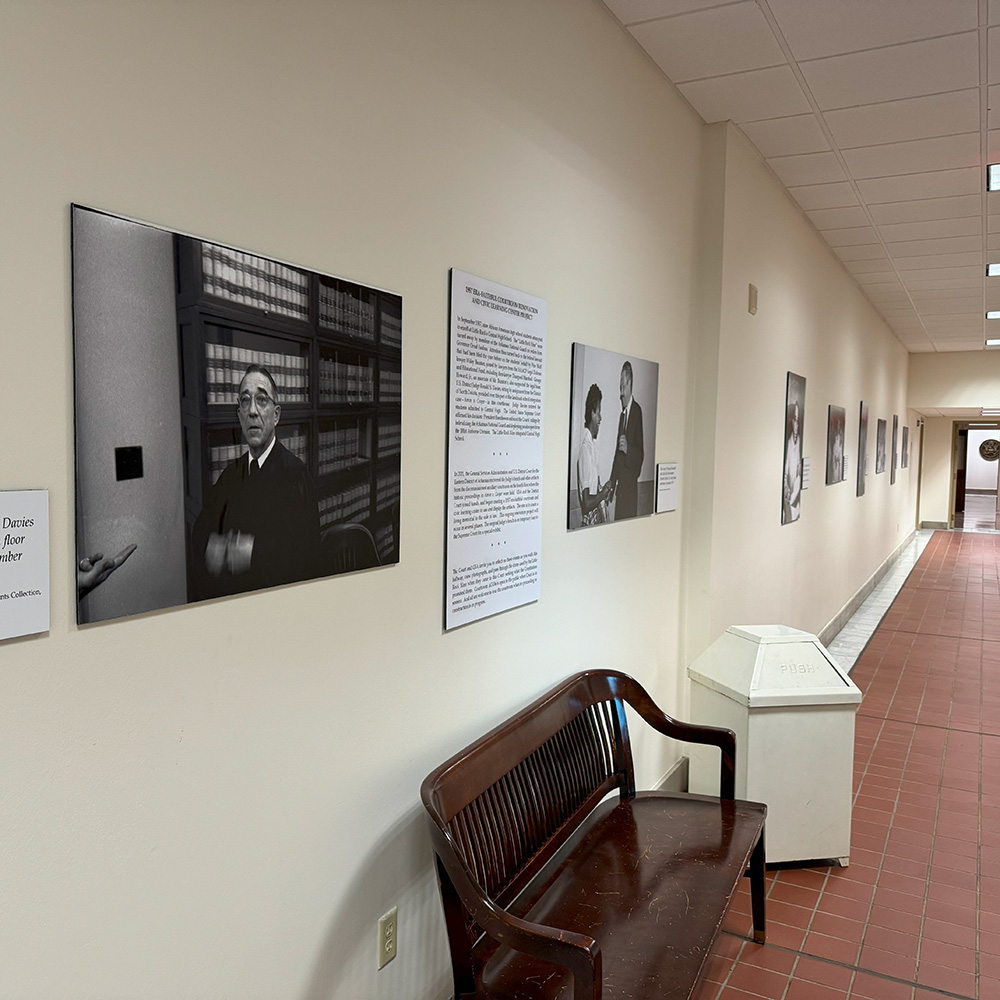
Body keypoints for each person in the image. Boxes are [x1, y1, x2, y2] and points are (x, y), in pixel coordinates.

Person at [191, 363, 320, 598]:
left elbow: (303, 562)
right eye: (245, 400)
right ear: (239, 414)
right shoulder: (230, 476)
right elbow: (201, 534)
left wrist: (247, 552)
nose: (252, 411)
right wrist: (215, 547)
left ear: (276, 414)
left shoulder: (296, 476)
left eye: (261, 400)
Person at [608, 361, 644, 520]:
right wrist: (612, 482)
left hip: (630, 493)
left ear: (629, 384)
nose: (620, 393)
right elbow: (618, 456)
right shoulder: (622, 417)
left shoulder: (637, 411)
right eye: (619, 388)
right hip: (620, 490)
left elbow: (640, 456)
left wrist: (629, 450)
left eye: (622, 386)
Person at [577, 383, 612, 527]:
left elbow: (593, 491)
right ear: (592, 413)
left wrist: (604, 489)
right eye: (598, 412)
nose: (600, 418)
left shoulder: (593, 448)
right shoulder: (585, 450)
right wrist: (602, 494)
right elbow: (586, 503)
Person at [783, 401, 802, 523]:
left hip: (796, 502)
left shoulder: (799, 441)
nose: (797, 424)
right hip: (789, 500)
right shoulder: (788, 445)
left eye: (798, 420)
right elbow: (785, 474)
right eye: (795, 419)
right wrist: (786, 488)